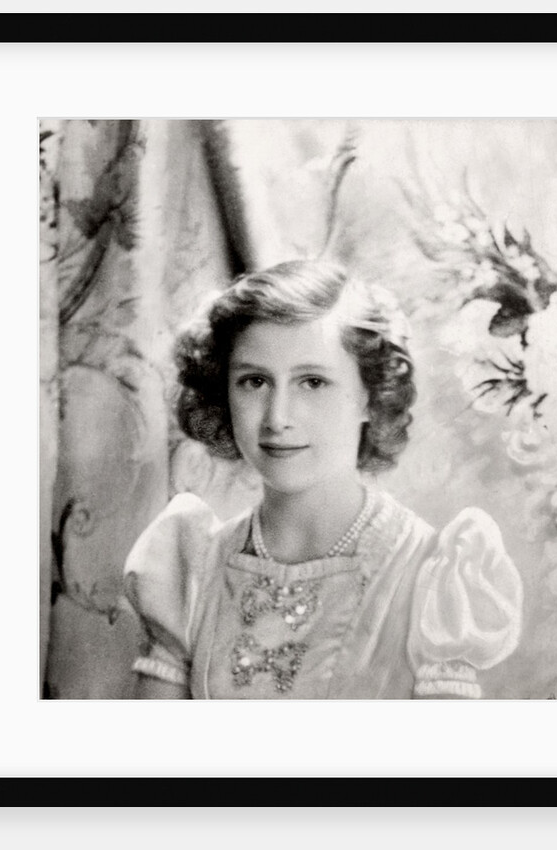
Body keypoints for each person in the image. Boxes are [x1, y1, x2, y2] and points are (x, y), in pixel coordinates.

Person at [123, 260, 522, 699]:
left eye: (312, 382)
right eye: (254, 381)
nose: (278, 418)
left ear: (371, 396)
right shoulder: (191, 571)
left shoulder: (433, 581)